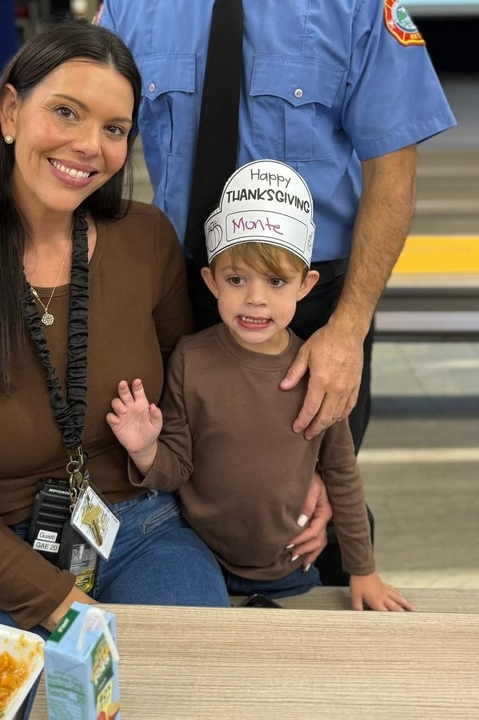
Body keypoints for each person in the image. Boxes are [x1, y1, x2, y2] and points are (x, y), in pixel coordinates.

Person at [97, 0, 456, 582]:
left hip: (307, 314)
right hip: (177, 301)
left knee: (301, 528)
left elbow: (392, 184)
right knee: (173, 514)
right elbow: (80, 158)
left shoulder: (361, 2)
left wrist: (347, 331)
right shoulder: (129, 1)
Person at [0, 18, 235, 637]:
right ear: (11, 113)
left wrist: (292, 476)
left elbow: (191, 398)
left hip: (140, 527)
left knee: (190, 680)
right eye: (66, 113)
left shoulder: (146, 238)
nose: (91, 144)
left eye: (114, 128)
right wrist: (64, 607)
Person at [107, 160, 413, 611]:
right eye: (236, 280)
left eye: (275, 281)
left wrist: (361, 569)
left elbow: (342, 474)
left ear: (306, 285)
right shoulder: (190, 360)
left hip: (291, 567)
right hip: (202, 559)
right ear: (211, 282)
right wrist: (145, 450)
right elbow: (178, 469)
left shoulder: (316, 372)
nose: (255, 298)